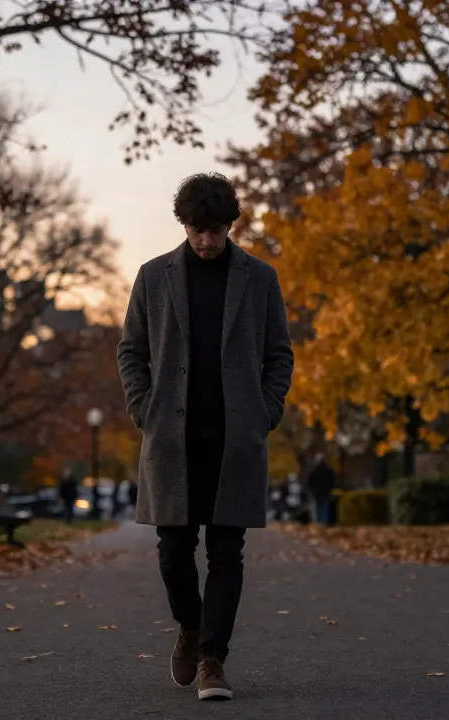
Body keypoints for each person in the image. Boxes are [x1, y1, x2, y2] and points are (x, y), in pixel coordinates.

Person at [117, 172, 294, 701]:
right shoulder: (153, 277)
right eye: (198, 230)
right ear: (184, 225)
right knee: (172, 551)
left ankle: (213, 661)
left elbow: (278, 354)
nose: (207, 241)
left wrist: (265, 411)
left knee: (226, 552)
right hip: (171, 438)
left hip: (235, 438)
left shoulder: (260, 279)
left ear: (230, 225)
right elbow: (131, 350)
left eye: (216, 230)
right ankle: (191, 629)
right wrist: (142, 408)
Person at [307, 453, 336, 525]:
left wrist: (311, 490)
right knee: (323, 510)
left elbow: (310, 482)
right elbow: (332, 481)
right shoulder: (328, 470)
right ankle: (323, 524)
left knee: (317, 511)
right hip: (325, 493)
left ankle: (318, 524)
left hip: (317, 493)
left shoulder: (314, 470)